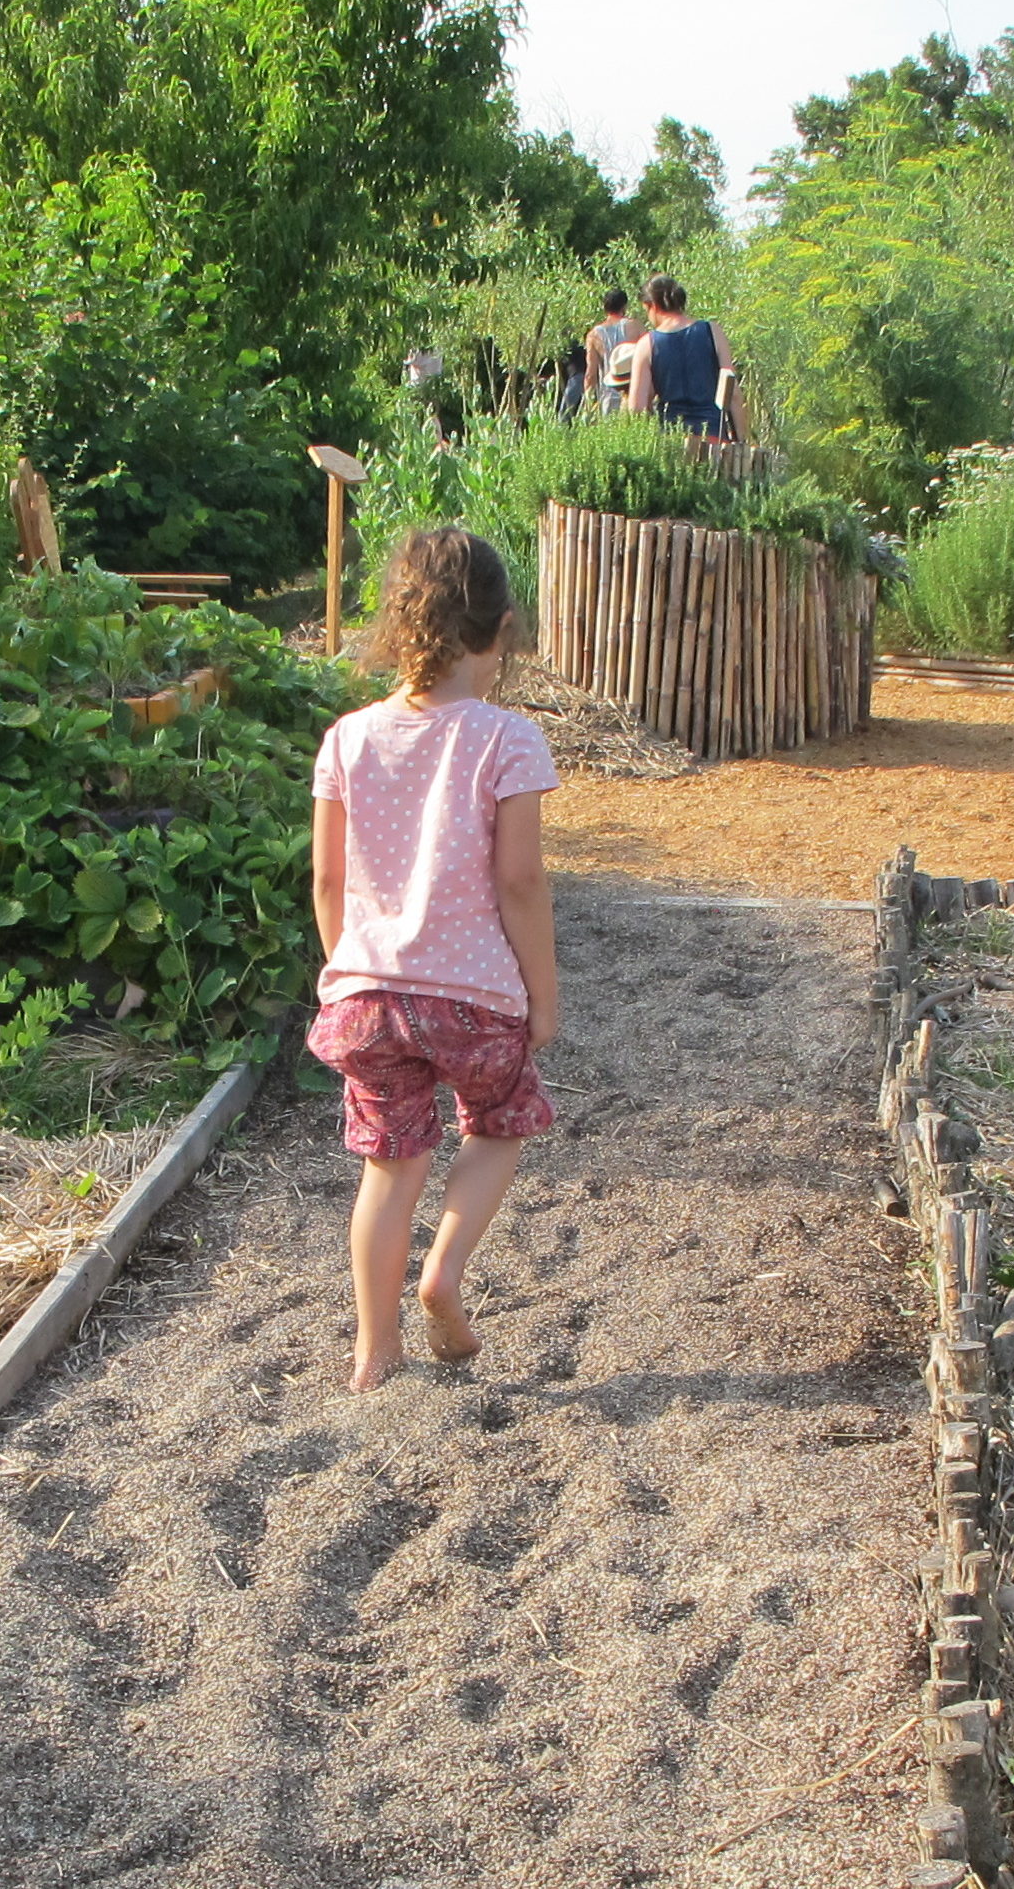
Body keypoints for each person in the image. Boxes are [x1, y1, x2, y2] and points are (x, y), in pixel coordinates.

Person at [305, 528, 562, 1392]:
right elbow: (519, 880)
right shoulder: (508, 737)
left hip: (366, 992)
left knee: (390, 1163)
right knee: (498, 1120)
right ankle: (443, 1275)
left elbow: (327, 875)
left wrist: (348, 967)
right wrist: (542, 993)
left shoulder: (345, 737)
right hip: (473, 995)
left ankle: (373, 1353)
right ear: (501, 631)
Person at [623, 272, 736, 437]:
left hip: (672, 440)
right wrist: (741, 440)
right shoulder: (713, 331)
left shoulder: (646, 344)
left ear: (652, 306)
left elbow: (637, 408)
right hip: (713, 436)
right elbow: (732, 392)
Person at [585, 287, 640, 411]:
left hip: (608, 395)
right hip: (633, 393)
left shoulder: (593, 335)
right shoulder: (635, 326)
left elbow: (590, 374)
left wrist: (588, 403)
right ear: (624, 306)